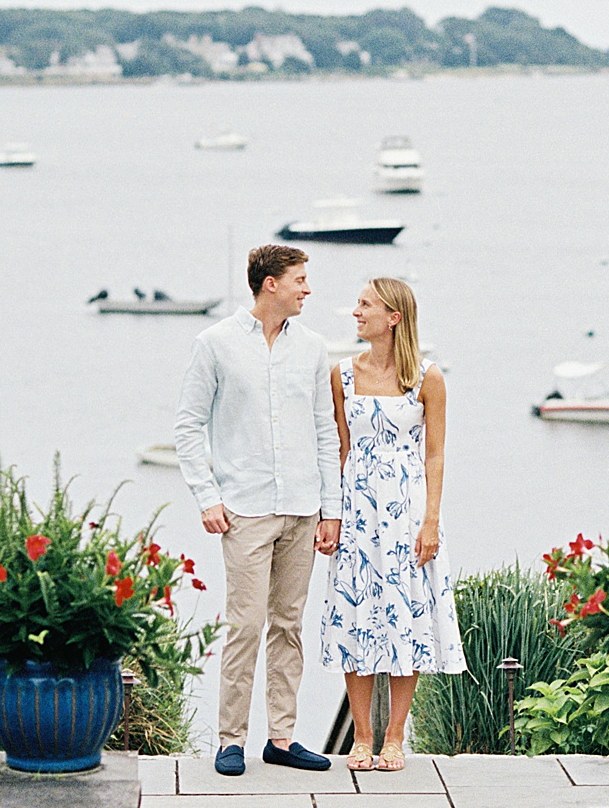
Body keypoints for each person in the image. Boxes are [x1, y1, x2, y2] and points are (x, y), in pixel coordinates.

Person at [175, 245, 341, 777]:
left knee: (289, 624)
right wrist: (207, 497)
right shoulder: (215, 344)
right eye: (299, 279)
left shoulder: (314, 349)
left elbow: (324, 431)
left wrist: (329, 510)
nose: (307, 289)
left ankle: (282, 738)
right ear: (270, 284)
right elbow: (187, 426)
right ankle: (230, 741)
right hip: (244, 509)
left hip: (301, 507)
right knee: (245, 625)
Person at [320, 278, 466, 772]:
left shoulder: (428, 378)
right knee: (354, 616)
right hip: (358, 512)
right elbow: (338, 451)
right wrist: (331, 516)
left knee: (408, 617)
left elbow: (436, 454)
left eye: (365, 305)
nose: (356, 312)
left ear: (394, 317)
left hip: (407, 513)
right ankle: (361, 737)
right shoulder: (341, 374)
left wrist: (432, 520)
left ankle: (394, 737)